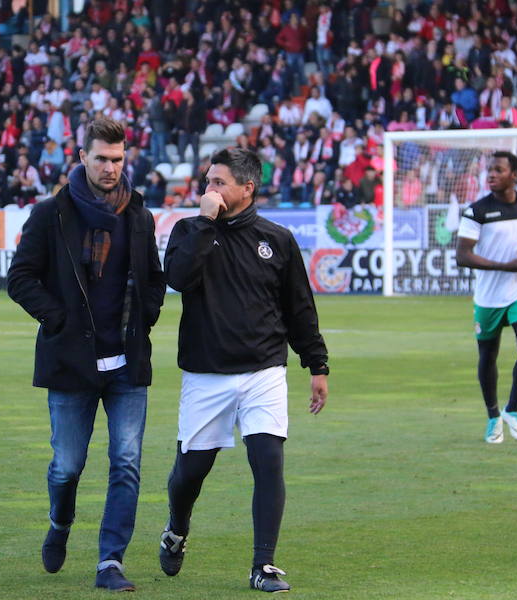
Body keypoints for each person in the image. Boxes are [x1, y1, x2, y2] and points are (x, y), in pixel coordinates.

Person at [158, 147, 329, 593]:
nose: (209, 189)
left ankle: (264, 566)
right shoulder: (189, 230)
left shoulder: (278, 239)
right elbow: (176, 278)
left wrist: (317, 363)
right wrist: (204, 222)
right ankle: (177, 527)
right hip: (206, 373)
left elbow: (299, 307)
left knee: (268, 462)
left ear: (247, 188)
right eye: (208, 181)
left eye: (219, 183)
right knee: (189, 475)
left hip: (263, 371)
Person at [6, 117, 166, 592]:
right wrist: (58, 319)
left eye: (118, 159)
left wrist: (148, 314)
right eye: (101, 158)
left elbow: (153, 278)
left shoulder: (138, 215)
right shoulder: (50, 214)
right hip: (71, 363)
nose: (111, 167)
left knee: (127, 462)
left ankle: (110, 562)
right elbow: (20, 279)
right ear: (82, 158)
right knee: (67, 466)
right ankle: (60, 522)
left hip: (126, 363)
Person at [455, 152, 517, 444]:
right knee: (488, 355)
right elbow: (463, 256)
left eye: (498, 170)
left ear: (514, 175)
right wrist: (504, 266)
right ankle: (493, 415)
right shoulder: (477, 211)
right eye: (489, 170)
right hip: (489, 296)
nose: (491, 174)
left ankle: (513, 409)